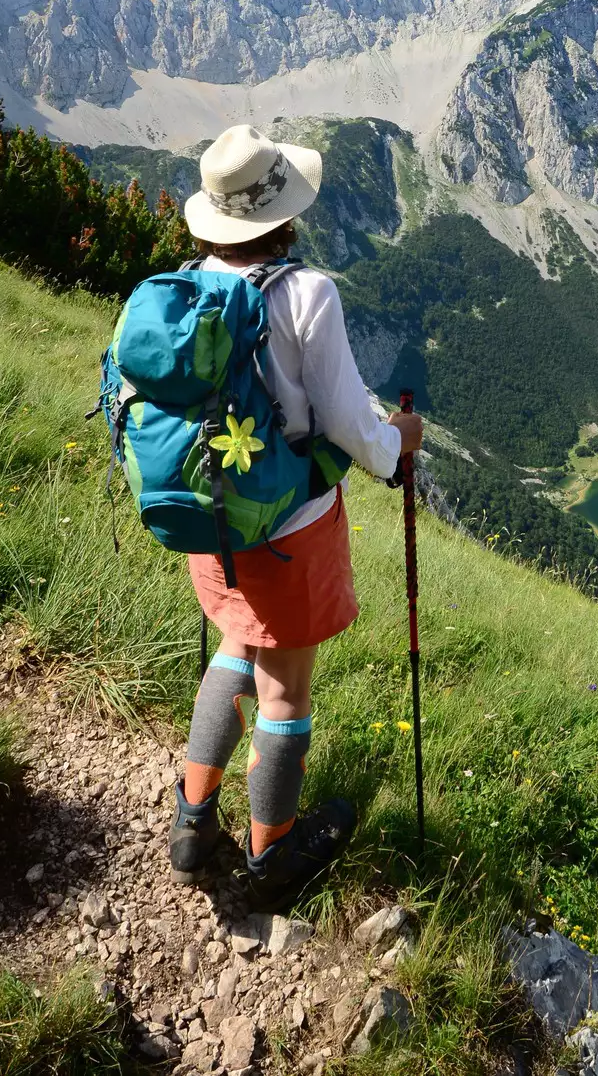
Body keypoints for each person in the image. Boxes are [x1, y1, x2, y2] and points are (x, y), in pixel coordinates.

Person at [167, 123, 423, 900]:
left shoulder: (185, 285)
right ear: (283, 215)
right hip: (287, 529)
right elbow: (349, 427)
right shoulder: (305, 291)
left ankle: (191, 819)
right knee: (285, 690)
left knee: (234, 648)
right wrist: (399, 441)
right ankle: (271, 858)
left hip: (206, 515)